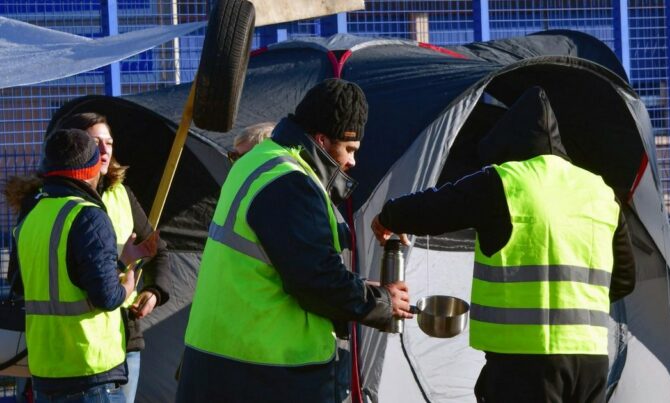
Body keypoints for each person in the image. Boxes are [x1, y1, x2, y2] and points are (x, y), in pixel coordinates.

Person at [371, 87, 636, 403]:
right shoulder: (601, 192)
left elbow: (439, 206)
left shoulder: (506, 181)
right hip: (591, 359)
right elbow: (623, 280)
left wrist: (389, 217)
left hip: (525, 363)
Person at [177, 78, 412, 403]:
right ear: (322, 139)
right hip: (266, 375)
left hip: (219, 365)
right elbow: (317, 281)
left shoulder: (256, 162)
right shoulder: (292, 183)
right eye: (350, 149)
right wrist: (381, 303)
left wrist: (360, 288)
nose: (353, 162)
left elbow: (288, 268)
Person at [7, 128, 157, 402]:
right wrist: (128, 284)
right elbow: (107, 296)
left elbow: (19, 284)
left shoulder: (32, 213)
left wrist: (121, 261)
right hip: (90, 369)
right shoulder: (88, 215)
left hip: (46, 369)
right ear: (90, 170)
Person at [54, 112, 171, 403]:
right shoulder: (53, 203)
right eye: (95, 142)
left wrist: (154, 292)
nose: (105, 150)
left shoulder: (122, 195)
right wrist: (119, 262)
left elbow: (158, 251)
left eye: (109, 142)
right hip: (75, 347)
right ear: (75, 147)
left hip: (124, 340)